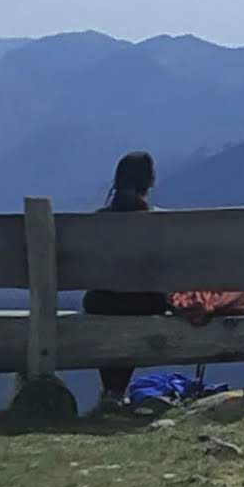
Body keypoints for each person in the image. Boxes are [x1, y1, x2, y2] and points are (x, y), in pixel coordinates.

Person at [81, 150, 167, 410]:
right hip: (145, 302)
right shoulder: (160, 221)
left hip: (102, 301)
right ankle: (115, 393)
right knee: (135, 303)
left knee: (109, 305)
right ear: (149, 181)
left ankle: (112, 392)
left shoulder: (99, 220)